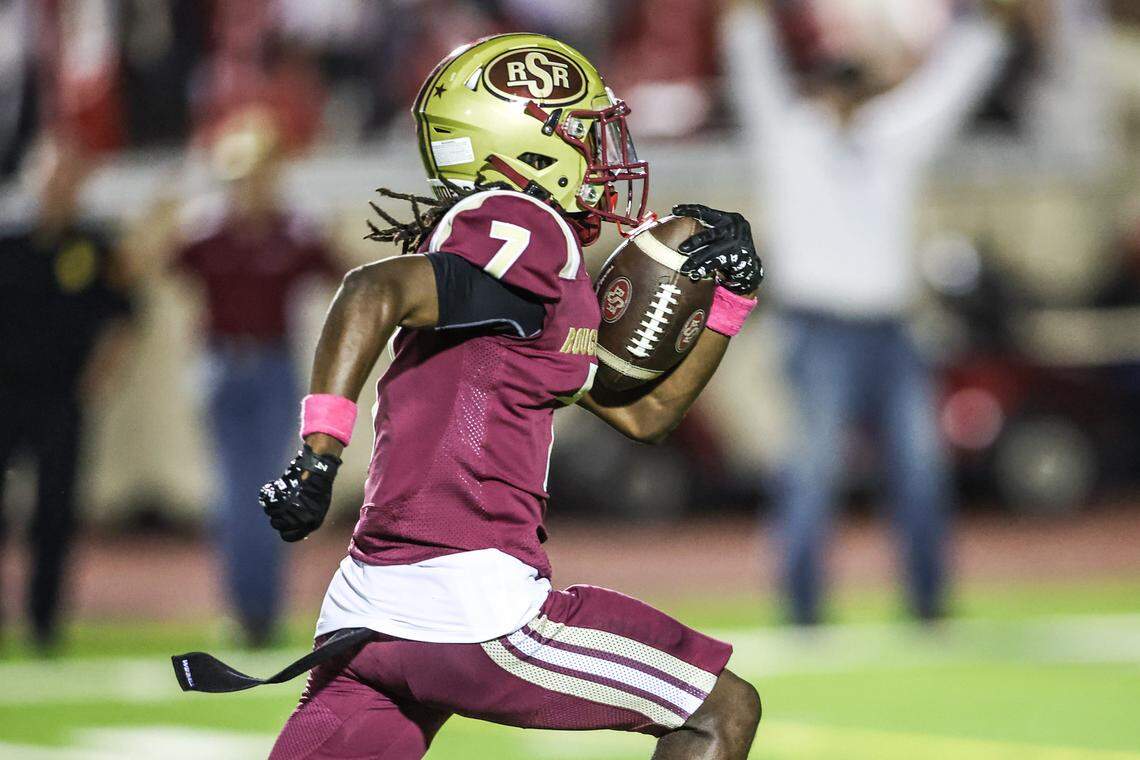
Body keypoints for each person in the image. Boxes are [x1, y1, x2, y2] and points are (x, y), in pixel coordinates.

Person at [257, 34, 764, 759]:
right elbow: (371, 289)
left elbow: (642, 413)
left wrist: (727, 305)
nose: (598, 158)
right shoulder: (525, 226)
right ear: (526, 142)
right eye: (582, 133)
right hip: (470, 608)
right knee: (721, 710)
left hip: (372, 614)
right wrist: (318, 454)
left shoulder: (527, 266)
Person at [724, 0, 1024, 624]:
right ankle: (803, 612)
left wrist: (991, 31)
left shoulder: (891, 135)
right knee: (811, 475)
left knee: (920, 473)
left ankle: (928, 607)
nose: (842, 96)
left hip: (891, 328)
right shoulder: (790, 136)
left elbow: (950, 88)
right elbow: (750, 64)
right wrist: (744, 20)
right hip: (818, 327)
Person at [172, 109, 341, 647]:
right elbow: (145, 267)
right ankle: (245, 607)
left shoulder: (293, 230)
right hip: (222, 368)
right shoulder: (207, 231)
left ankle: (261, 610)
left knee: (264, 492)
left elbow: (347, 274)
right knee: (233, 494)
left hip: (270, 368)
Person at [0, 136, 135, 653]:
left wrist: (96, 379)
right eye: (48, 177)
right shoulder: (9, 242)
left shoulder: (96, 245)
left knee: (54, 512)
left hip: (62, 396)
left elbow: (124, 315)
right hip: (7, 396)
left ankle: (43, 622)